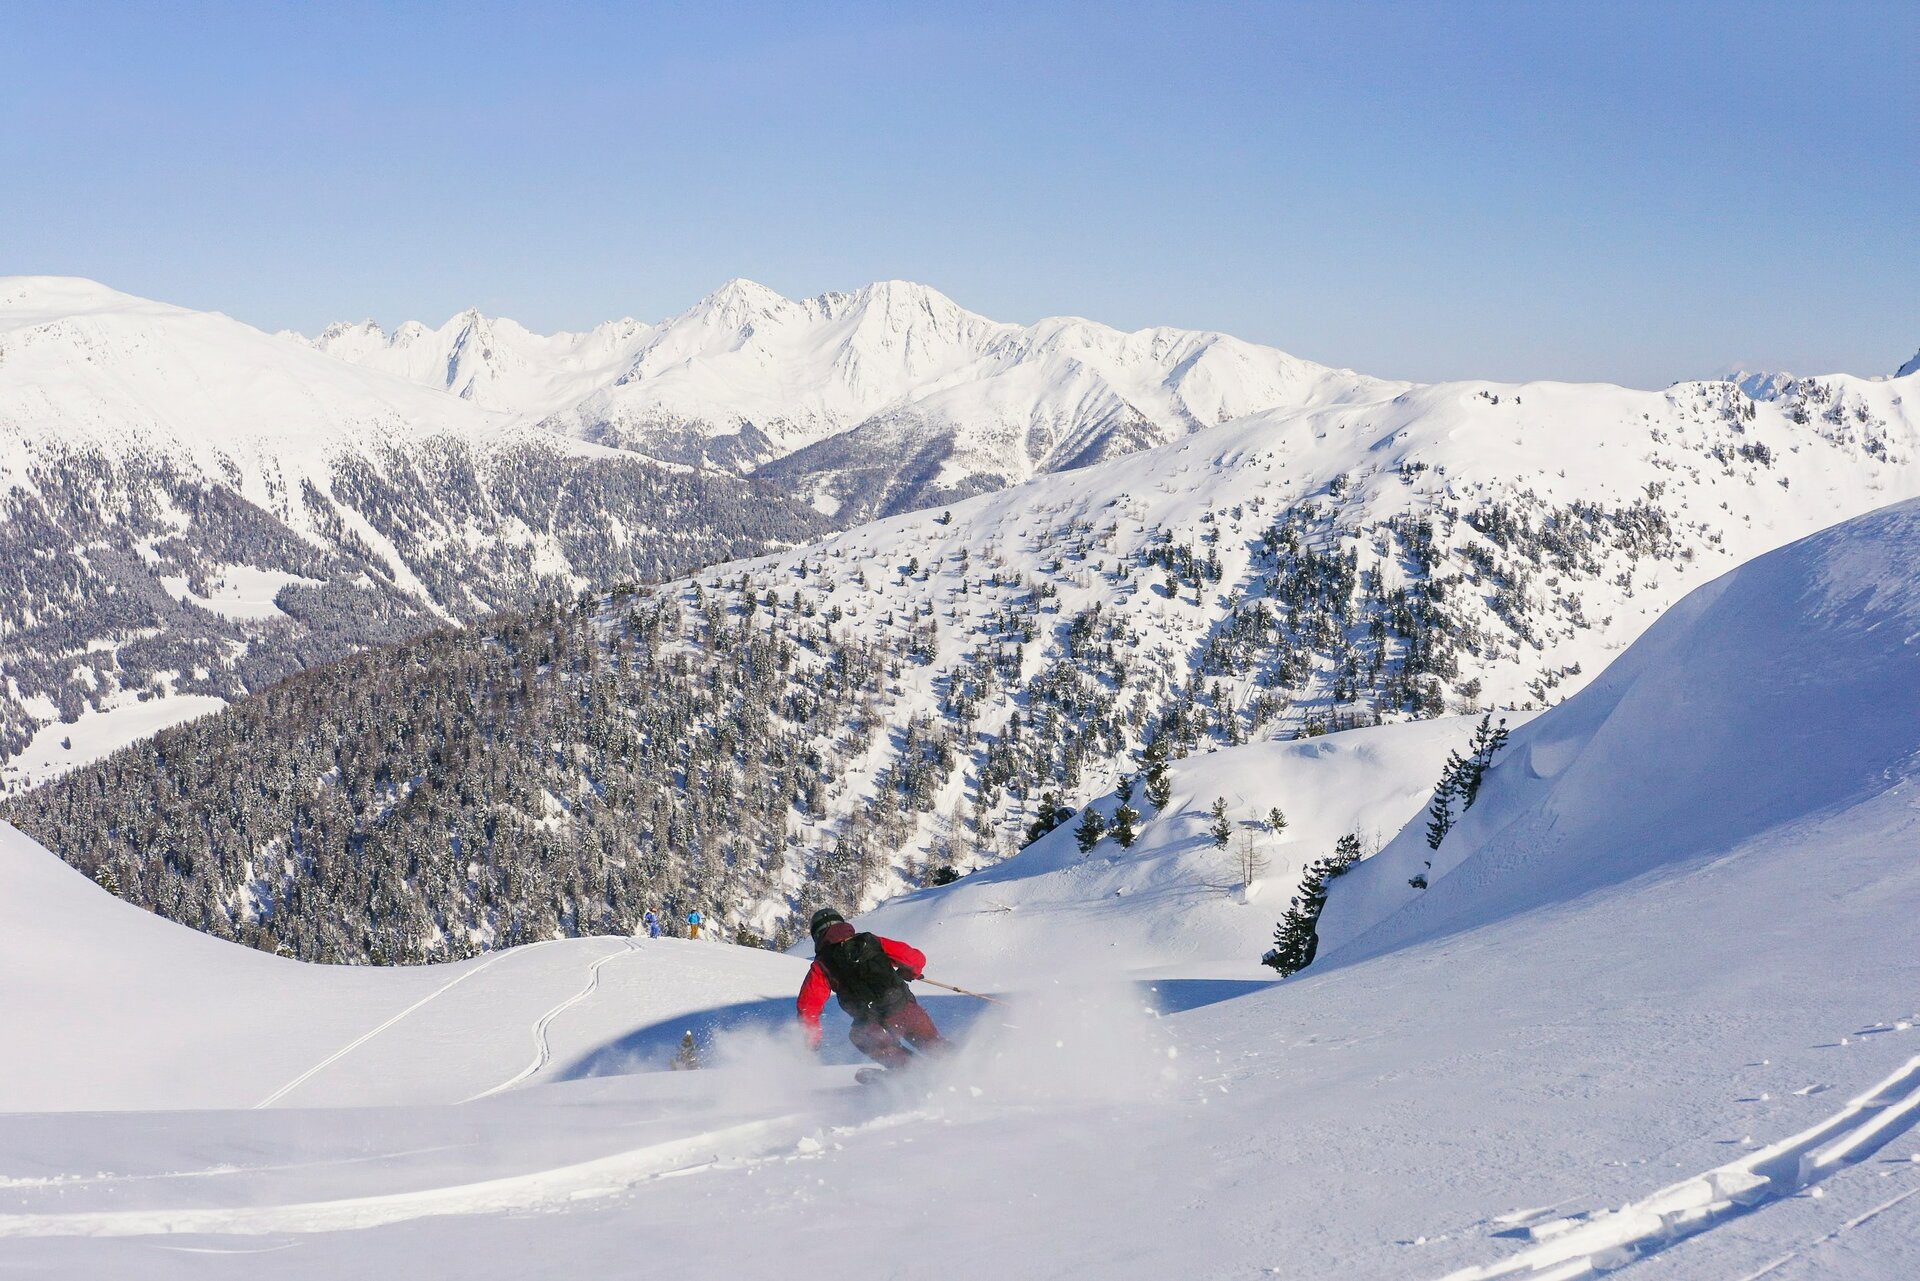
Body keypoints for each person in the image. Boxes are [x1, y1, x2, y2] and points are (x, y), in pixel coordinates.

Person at [795, 908, 947, 1069]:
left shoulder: (821, 965)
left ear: (817, 936)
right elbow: (915, 958)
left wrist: (811, 1040)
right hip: (905, 1010)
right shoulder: (871, 941)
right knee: (935, 1046)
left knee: (859, 1036)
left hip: (871, 1026)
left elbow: (808, 1008)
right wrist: (910, 972)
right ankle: (959, 1067)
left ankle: (910, 1071)